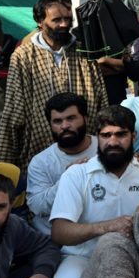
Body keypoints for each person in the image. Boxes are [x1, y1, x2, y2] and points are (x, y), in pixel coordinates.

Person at [48, 105, 139, 278]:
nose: (113, 141)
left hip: (132, 257)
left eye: (121, 134)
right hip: (82, 257)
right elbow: (59, 232)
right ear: (97, 137)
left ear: (133, 136)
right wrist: (108, 226)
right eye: (106, 135)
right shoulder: (77, 174)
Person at [0, 0, 108, 172]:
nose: (64, 24)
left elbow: (101, 99)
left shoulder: (83, 50)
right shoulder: (24, 56)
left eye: (67, 19)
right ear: (40, 21)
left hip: (87, 151)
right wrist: (4, 166)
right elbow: (13, 111)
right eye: (57, 20)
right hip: (41, 151)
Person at [27, 92, 98, 235]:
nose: (65, 126)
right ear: (50, 125)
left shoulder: (106, 148)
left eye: (71, 118)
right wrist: (67, 179)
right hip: (54, 241)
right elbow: (37, 207)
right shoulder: (40, 162)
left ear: (85, 118)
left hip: (99, 234)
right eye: (57, 121)